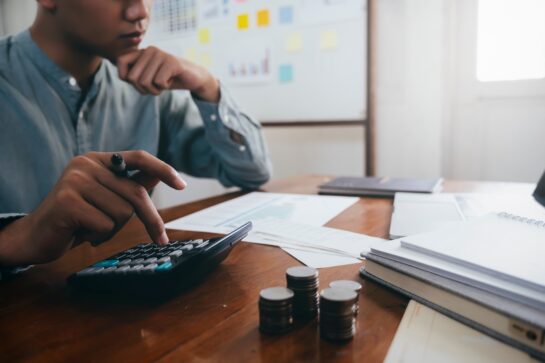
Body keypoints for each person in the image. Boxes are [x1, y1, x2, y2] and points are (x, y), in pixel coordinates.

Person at [0, 0, 272, 273]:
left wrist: (206, 84)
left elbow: (251, 172)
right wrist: (16, 238)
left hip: (135, 305)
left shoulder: (148, 93)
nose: (140, 11)